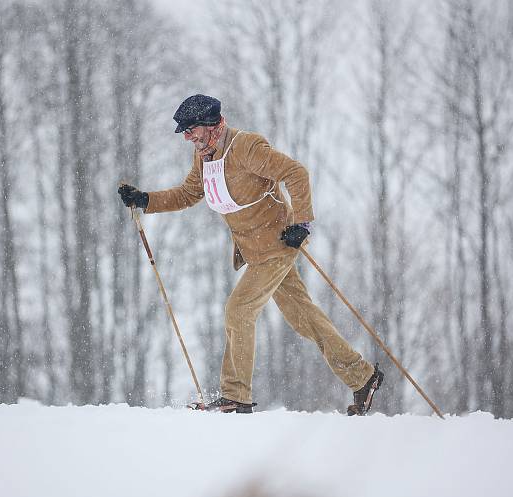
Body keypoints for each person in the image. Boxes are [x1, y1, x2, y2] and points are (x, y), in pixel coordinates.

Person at [118, 94, 383, 415]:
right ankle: (362, 376)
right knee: (305, 319)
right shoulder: (203, 157)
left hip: (277, 245)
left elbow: (296, 173)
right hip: (253, 250)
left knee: (238, 310)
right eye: (184, 133)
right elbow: (189, 193)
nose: (188, 138)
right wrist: (146, 200)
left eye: (191, 131)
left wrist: (302, 223)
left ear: (212, 126)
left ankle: (235, 397)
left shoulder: (246, 148)